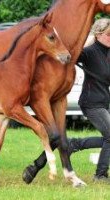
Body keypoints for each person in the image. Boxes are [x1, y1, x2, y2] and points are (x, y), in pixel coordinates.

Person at [23, 18, 110, 184]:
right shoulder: (89, 52)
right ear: (99, 35)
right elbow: (68, 55)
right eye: (108, 34)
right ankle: (100, 175)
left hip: (105, 102)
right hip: (91, 103)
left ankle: (72, 144)